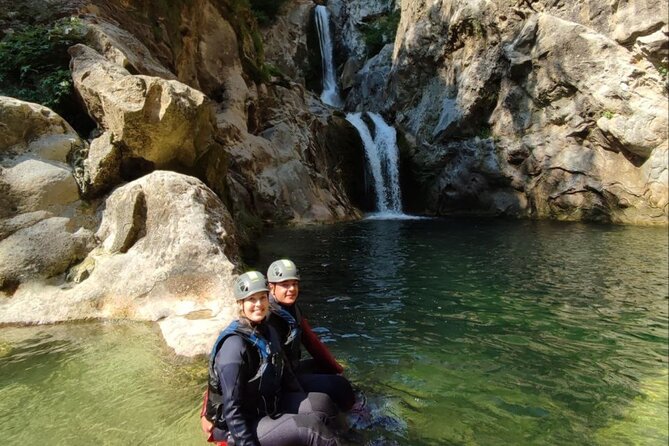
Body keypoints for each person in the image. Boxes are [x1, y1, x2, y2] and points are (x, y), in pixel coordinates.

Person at [201, 271, 340, 446]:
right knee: (310, 429)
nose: (259, 304)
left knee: (322, 404)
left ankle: (345, 440)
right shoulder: (234, 346)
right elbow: (232, 410)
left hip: (266, 406)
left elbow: (286, 373)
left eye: (262, 297)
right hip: (240, 427)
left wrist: (303, 406)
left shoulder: (268, 331)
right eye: (252, 299)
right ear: (240, 304)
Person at [266, 259, 356, 411]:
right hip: (281, 383)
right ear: (271, 287)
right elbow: (277, 363)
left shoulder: (291, 308)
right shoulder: (269, 317)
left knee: (329, 371)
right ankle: (358, 419)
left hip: (292, 371)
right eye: (285, 285)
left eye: (294, 284)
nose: (291, 289)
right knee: (340, 386)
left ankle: (352, 406)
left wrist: (337, 368)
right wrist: (298, 391)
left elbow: (312, 342)